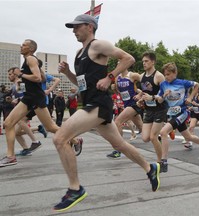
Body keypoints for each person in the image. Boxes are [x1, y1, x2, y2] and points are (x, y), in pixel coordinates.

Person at [53, 14, 160, 212]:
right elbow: (82, 83)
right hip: (90, 101)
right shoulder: (79, 52)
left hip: (98, 104)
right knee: (120, 144)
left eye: (77, 27)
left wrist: (110, 77)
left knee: (60, 138)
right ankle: (150, 168)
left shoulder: (98, 45)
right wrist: (68, 73)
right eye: (72, 28)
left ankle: (75, 189)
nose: (74, 31)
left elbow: (128, 58)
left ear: (90, 27)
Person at [0, 39, 81, 168]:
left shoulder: (30, 59)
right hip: (29, 97)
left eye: (24, 45)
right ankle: (10, 157)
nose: (21, 46)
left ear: (31, 49)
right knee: (8, 123)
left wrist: (21, 74)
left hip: (36, 97)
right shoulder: (31, 61)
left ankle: (75, 140)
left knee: (50, 127)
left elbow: (37, 78)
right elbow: (42, 78)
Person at [156, 63, 199, 172]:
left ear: (175, 73)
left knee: (163, 132)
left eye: (168, 74)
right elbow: (159, 100)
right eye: (165, 74)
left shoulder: (182, 83)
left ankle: (164, 161)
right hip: (172, 114)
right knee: (189, 137)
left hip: (182, 113)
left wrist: (190, 97)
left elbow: (197, 85)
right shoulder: (163, 84)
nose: (166, 76)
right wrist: (164, 95)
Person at [134, 51, 166, 167]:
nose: (144, 63)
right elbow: (145, 91)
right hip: (148, 110)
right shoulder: (142, 76)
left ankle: (160, 161)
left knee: (152, 137)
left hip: (159, 110)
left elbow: (165, 95)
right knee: (145, 138)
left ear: (153, 62)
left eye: (146, 61)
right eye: (143, 61)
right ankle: (159, 136)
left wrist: (152, 97)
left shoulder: (159, 76)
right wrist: (140, 97)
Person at [106, 68, 143, 159]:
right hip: (126, 105)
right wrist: (115, 89)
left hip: (134, 104)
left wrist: (140, 94)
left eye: (121, 61)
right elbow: (119, 92)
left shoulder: (132, 75)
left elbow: (147, 82)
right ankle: (158, 138)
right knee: (142, 129)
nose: (119, 64)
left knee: (117, 122)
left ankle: (118, 150)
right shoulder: (117, 78)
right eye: (118, 62)